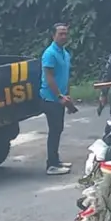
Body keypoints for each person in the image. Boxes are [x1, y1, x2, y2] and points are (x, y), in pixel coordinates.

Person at [40, 23, 76, 176]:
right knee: (55, 130)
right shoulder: (49, 53)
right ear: (53, 36)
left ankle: (56, 160)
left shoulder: (65, 53)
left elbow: (66, 76)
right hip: (50, 98)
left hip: (61, 97)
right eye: (61, 33)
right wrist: (59, 96)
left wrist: (68, 95)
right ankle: (51, 165)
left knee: (58, 129)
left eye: (66, 33)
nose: (64, 36)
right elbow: (49, 78)